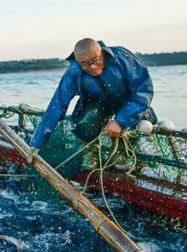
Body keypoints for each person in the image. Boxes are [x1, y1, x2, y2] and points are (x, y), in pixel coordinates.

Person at [28, 38, 156, 162]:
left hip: (128, 102)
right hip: (97, 104)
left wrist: (120, 122)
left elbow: (143, 89)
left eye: (96, 60)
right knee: (85, 123)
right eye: (85, 64)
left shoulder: (121, 57)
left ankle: (123, 152)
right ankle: (91, 151)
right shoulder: (73, 72)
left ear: (102, 52)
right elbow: (57, 104)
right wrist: (37, 142)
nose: (93, 67)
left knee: (142, 125)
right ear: (78, 62)